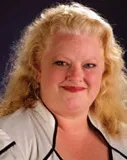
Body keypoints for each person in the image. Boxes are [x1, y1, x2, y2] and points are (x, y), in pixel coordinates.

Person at [0, 2, 127, 160]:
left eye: (89, 65)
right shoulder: (7, 137)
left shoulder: (123, 137)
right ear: (37, 69)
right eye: (61, 63)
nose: (75, 76)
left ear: (104, 74)